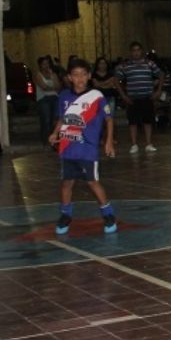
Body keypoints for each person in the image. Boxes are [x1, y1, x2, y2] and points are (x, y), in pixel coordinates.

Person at [48, 59, 117, 235]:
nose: (79, 78)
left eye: (83, 74)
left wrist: (108, 140)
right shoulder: (64, 95)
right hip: (67, 147)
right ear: (70, 77)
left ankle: (108, 214)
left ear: (89, 76)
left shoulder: (97, 96)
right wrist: (55, 133)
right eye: (75, 75)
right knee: (66, 183)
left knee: (92, 182)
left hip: (88, 148)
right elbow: (63, 118)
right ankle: (65, 215)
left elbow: (109, 119)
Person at [115, 41, 162, 154]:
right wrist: (123, 95)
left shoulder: (149, 64)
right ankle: (134, 144)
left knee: (148, 121)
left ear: (141, 51)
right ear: (130, 52)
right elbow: (116, 80)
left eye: (138, 50)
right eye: (133, 50)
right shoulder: (125, 66)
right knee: (133, 122)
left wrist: (158, 91)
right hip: (132, 99)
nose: (136, 53)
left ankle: (149, 143)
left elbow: (161, 75)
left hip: (147, 97)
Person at [35, 56, 62, 148]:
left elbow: (58, 86)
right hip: (43, 99)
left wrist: (52, 76)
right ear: (40, 65)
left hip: (54, 98)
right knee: (46, 120)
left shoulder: (53, 74)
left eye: (47, 64)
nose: (46, 66)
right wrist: (53, 87)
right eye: (44, 64)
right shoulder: (38, 75)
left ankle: (54, 142)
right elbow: (43, 87)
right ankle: (45, 141)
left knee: (54, 120)